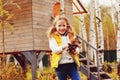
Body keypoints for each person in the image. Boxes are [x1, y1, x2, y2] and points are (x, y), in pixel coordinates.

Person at [47, 15, 81, 80]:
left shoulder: (71, 35)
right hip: (60, 65)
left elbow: (77, 48)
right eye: (59, 26)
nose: (62, 28)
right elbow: (54, 50)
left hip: (72, 64)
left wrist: (75, 50)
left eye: (64, 25)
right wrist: (63, 47)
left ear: (67, 26)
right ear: (55, 27)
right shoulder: (53, 37)